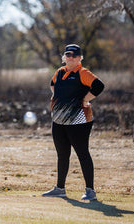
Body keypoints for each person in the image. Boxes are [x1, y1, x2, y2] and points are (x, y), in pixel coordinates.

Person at [42, 44, 104, 201]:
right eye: (68, 55)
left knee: (82, 153)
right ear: (64, 57)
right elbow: (52, 84)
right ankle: (60, 189)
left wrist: (85, 99)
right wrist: (57, 98)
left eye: (74, 55)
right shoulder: (60, 71)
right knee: (62, 155)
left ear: (79, 58)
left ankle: (90, 191)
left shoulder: (82, 72)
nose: (70, 57)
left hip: (79, 120)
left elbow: (99, 86)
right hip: (58, 121)